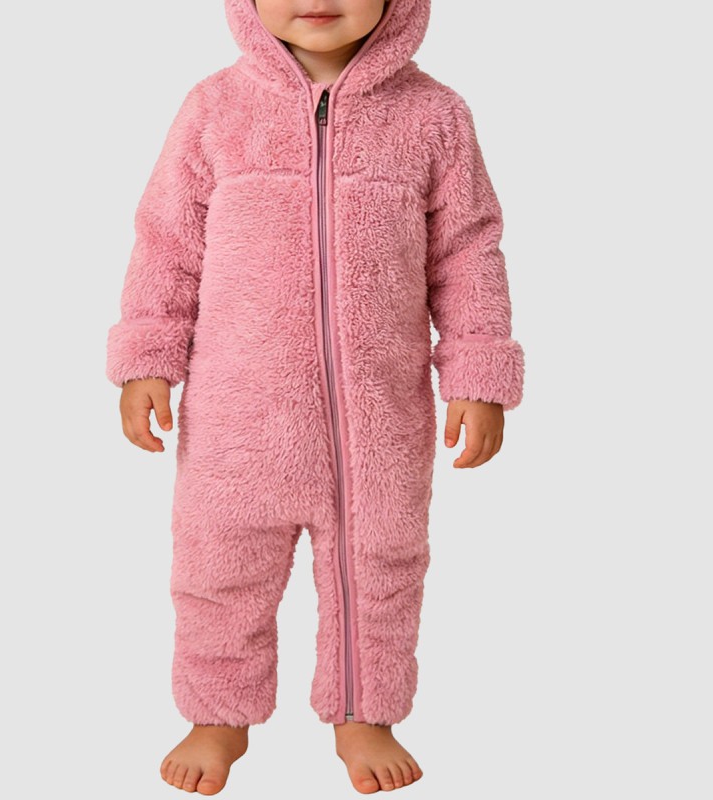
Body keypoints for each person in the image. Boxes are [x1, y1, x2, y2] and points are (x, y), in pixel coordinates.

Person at [105, 0, 525, 793]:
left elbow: (469, 252)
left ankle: (365, 712)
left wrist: (477, 373)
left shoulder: (433, 115)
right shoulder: (215, 109)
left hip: (378, 417)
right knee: (218, 571)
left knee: (381, 569)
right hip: (238, 415)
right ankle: (217, 713)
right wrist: (147, 358)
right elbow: (166, 242)